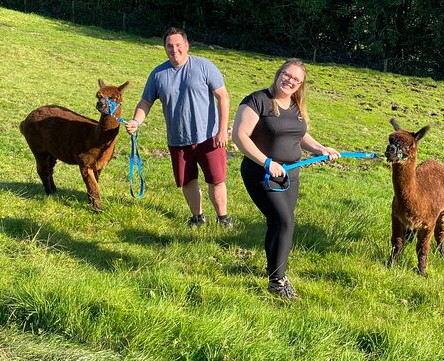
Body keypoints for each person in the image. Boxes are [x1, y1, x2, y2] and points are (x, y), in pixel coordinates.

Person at [232, 58, 340, 299]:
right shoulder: (257, 100)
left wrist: (320, 148)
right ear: (278, 73)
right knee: (285, 222)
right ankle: (278, 282)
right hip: (261, 173)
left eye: (296, 79)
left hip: (290, 174)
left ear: (301, 84)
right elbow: (240, 136)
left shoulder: (294, 105)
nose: (290, 81)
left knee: (278, 223)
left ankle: (273, 272)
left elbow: (301, 136)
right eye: (287, 75)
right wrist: (268, 163)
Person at [125, 27, 232, 228]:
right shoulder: (158, 74)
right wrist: (136, 121)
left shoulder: (204, 66)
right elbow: (146, 102)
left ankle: (223, 218)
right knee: (187, 181)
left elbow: (223, 96)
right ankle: (197, 217)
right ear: (164, 48)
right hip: (178, 139)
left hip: (209, 137)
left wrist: (222, 130)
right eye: (170, 46)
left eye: (178, 45)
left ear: (186, 45)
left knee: (216, 180)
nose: (174, 50)